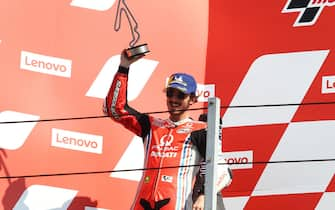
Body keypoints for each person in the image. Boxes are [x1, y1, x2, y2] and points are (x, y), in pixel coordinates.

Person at [103, 50, 232, 210]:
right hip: (141, 204)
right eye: (171, 93)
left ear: (192, 99)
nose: (174, 99)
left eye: (180, 95)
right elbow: (115, 109)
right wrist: (124, 66)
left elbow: (223, 170)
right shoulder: (151, 125)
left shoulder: (200, 130)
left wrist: (205, 195)